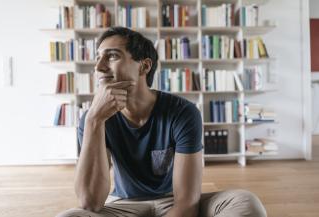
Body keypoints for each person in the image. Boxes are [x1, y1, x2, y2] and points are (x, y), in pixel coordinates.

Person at [56, 27, 267, 217]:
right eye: (98, 57)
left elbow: (187, 204)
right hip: (123, 205)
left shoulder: (183, 112)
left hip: (172, 201)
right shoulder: (93, 118)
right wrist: (95, 119)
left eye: (112, 56)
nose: (99, 67)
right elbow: (90, 203)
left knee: (246, 203)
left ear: (144, 66)